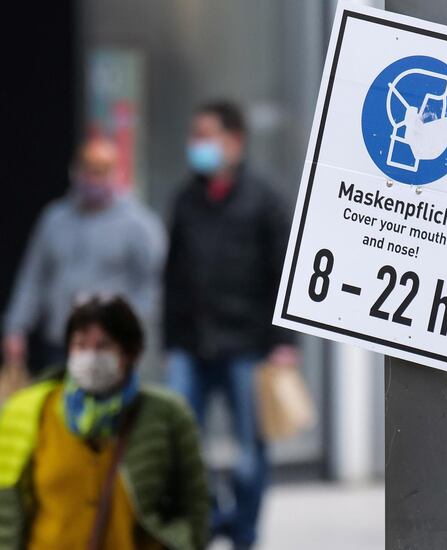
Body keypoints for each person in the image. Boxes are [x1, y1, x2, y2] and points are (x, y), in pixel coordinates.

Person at [164, 100, 296, 548]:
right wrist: (169, 341)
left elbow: (285, 273)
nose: (196, 145)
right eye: (193, 136)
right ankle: (213, 516)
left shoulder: (265, 199)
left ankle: (243, 533)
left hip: (248, 346)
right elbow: (173, 275)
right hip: (190, 345)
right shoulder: (185, 199)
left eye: (205, 135)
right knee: (179, 447)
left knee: (249, 457)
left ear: (235, 140)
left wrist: (283, 342)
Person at [0, 295, 208, 549]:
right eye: (81, 346)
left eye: (103, 346)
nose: (90, 357)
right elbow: (7, 508)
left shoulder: (167, 415)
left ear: (130, 353)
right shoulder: (29, 411)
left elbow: (195, 503)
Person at [3, 137, 166, 371]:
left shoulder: (139, 225)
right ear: (76, 171)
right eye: (88, 170)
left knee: (109, 408)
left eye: (100, 172)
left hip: (110, 346)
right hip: (61, 342)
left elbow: (153, 284)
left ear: (115, 174)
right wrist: (16, 327)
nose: (93, 179)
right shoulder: (55, 219)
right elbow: (33, 277)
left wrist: (127, 325)